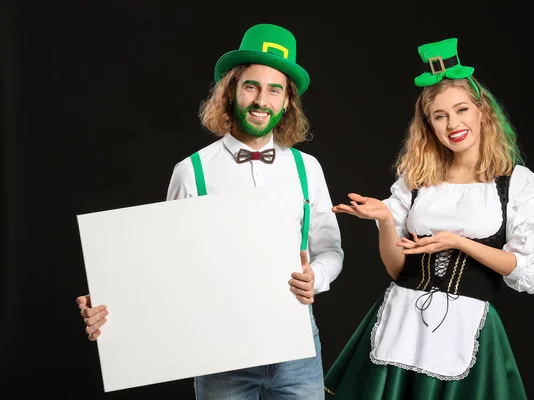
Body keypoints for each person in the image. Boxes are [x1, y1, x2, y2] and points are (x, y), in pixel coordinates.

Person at [76, 23, 344, 399]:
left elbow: (331, 251)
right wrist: (110, 302)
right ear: (231, 91)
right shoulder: (192, 172)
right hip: (221, 358)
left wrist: (314, 277)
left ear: (287, 102)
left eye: (274, 90)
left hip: (297, 353)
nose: (261, 100)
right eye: (251, 86)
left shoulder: (307, 169)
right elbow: (162, 265)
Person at [323, 38, 534, 399]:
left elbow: (530, 271)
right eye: (440, 115)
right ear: (429, 125)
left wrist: (459, 242)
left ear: (482, 112)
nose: (453, 124)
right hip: (401, 321)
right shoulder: (417, 180)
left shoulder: (516, 183)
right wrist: (386, 220)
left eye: (462, 109)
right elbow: (396, 269)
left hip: (468, 329)